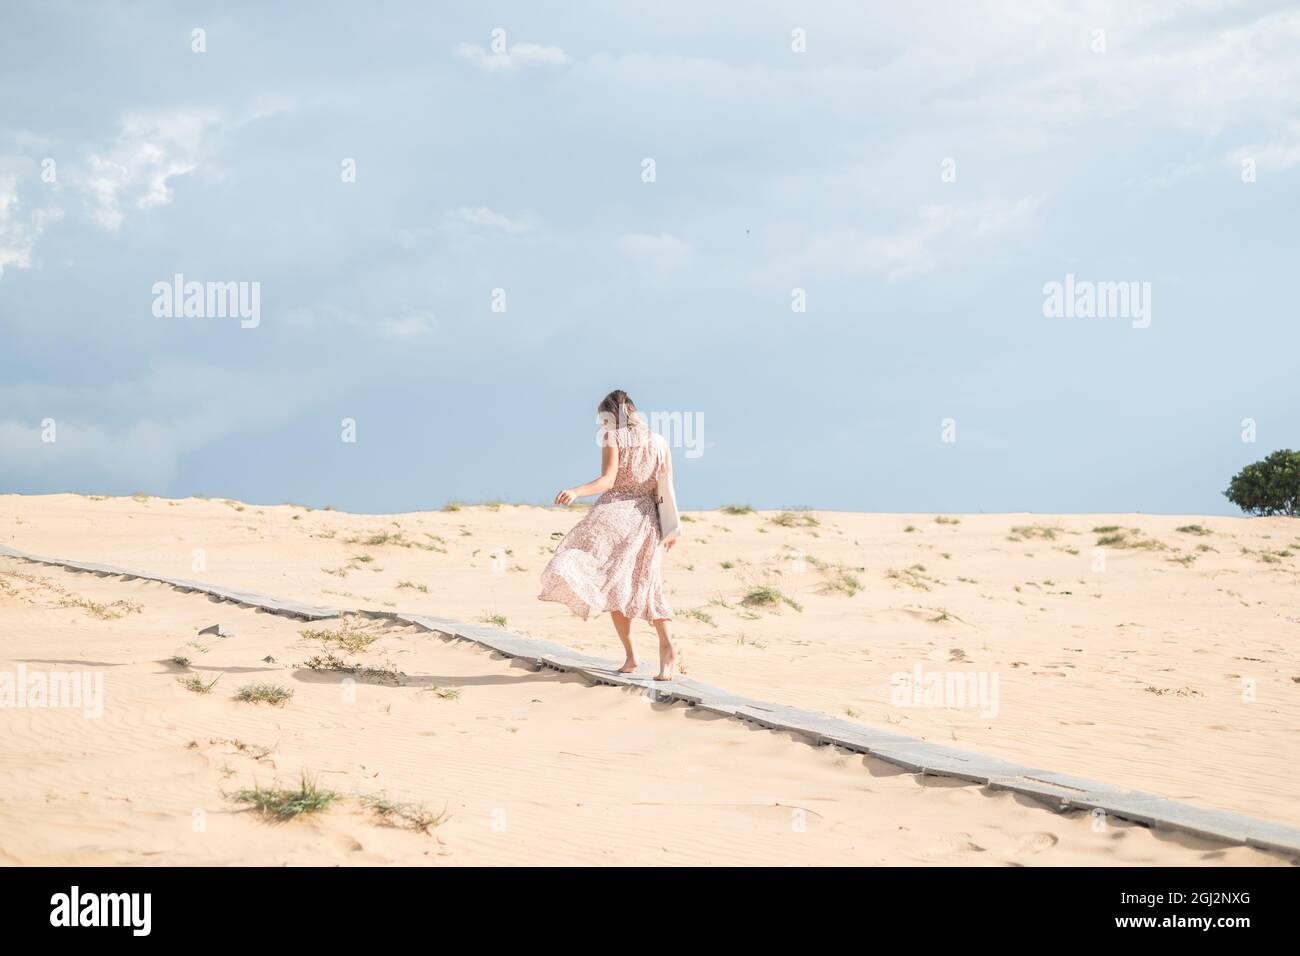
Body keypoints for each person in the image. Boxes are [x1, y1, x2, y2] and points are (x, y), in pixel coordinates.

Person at [538, 390, 677, 680]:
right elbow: (666, 488)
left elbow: (608, 480)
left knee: (610, 583)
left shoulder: (613, 437)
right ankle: (665, 650)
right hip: (648, 519)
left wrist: (576, 491)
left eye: (603, 419)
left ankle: (631, 655)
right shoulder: (660, 441)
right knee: (647, 584)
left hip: (616, 512)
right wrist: (672, 526)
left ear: (611, 416)